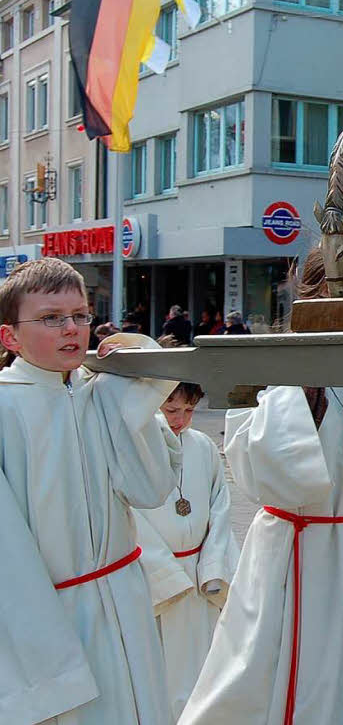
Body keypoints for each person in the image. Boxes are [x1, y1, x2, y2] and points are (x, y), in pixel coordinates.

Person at [179, 247, 343, 725]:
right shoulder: (269, 369)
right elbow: (253, 468)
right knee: (263, 679)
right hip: (292, 549)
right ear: (306, 299)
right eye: (331, 297)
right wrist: (305, 393)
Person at [0, 257, 179, 723]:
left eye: (81, 316)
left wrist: (134, 359)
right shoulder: (4, 406)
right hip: (53, 614)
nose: (71, 329)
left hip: (123, 594)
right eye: (51, 318)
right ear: (9, 336)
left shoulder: (100, 390)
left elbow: (150, 488)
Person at [134, 373, 240, 720]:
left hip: (198, 578)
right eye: (171, 409)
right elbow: (131, 520)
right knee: (162, 675)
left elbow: (220, 507)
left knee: (203, 668)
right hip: (158, 584)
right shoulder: (135, 448)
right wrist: (165, 575)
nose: (180, 420)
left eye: (190, 411)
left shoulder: (203, 446)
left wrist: (213, 567)